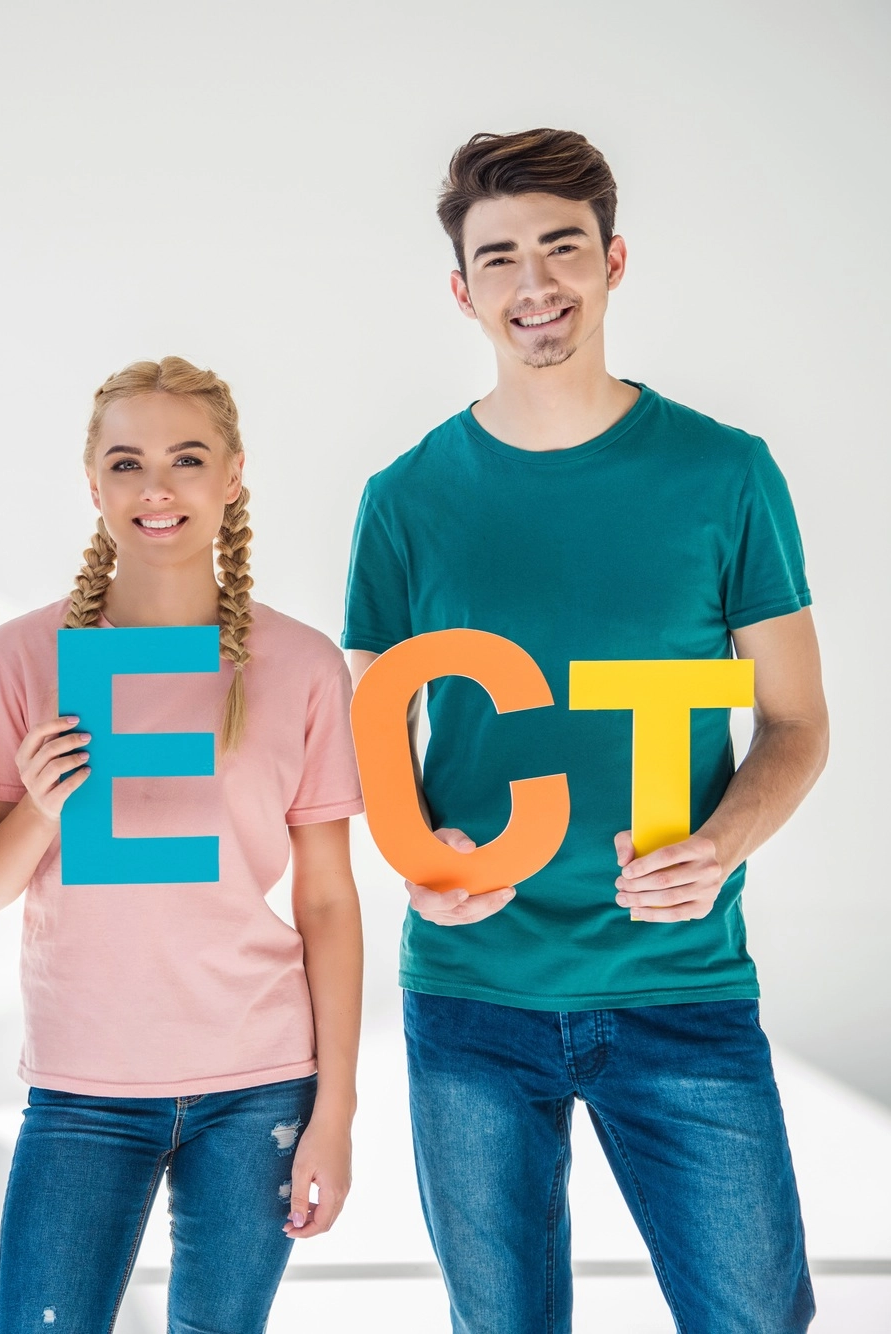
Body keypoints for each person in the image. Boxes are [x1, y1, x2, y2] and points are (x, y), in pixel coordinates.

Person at [343, 129, 828, 1333]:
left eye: (561, 246)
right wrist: (416, 856)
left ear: (612, 261)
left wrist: (720, 843)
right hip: (469, 994)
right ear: (461, 290)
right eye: (497, 256)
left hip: (679, 983)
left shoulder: (725, 475)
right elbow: (369, 735)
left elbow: (794, 720)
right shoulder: (402, 500)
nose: (533, 282)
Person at [0, 357, 365, 1332]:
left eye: (186, 458)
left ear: (231, 476)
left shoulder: (299, 663)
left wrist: (335, 1111)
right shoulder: (21, 655)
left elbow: (327, 901)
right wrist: (43, 805)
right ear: (92, 482)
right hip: (81, 1084)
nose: (156, 487)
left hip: (256, 1078)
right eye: (127, 462)